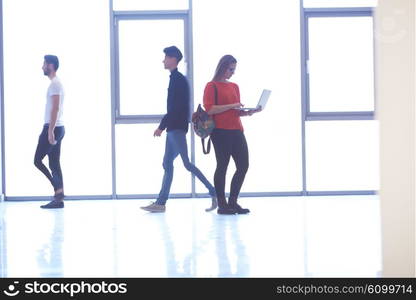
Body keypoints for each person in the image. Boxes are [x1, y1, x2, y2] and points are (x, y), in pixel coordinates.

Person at [141, 46, 217, 213]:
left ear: (173, 59)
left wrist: (161, 126)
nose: (163, 60)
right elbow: (175, 107)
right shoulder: (175, 78)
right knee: (167, 163)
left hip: (176, 128)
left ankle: (214, 192)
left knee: (187, 164)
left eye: (166, 57)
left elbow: (175, 108)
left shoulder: (178, 80)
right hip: (174, 128)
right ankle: (160, 203)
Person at [203, 55, 260, 215]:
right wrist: (232, 105)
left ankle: (233, 202)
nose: (233, 73)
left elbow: (234, 112)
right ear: (222, 67)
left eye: (234, 69)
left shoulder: (235, 86)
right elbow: (210, 109)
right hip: (220, 131)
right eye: (230, 69)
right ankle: (222, 204)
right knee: (222, 166)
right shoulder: (211, 86)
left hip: (236, 130)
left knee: (243, 165)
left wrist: (249, 112)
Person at [35, 55, 66, 209]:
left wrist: (50, 131)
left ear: (51, 65)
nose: (42, 67)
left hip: (53, 127)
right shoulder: (56, 84)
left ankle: (58, 191)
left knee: (37, 160)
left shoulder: (55, 84)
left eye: (44, 64)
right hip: (58, 127)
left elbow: (55, 108)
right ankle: (58, 199)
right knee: (54, 162)